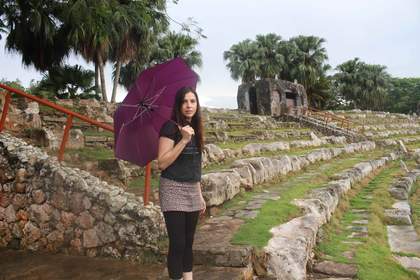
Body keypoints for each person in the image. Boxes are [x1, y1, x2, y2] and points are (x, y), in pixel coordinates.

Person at [157, 86, 206, 280]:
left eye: (192, 101)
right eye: (185, 101)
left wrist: (200, 195)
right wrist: (183, 140)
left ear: (197, 104)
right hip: (172, 187)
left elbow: (196, 167)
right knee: (177, 243)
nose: (189, 105)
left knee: (188, 242)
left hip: (192, 190)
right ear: (178, 105)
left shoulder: (197, 129)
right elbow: (162, 163)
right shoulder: (170, 127)